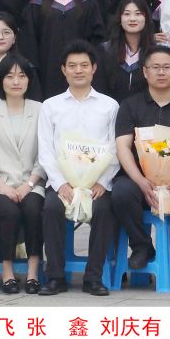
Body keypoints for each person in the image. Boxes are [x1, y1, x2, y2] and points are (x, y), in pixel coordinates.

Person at [108, 46, 170, 283]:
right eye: (155, 67)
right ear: (145, 72)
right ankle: (142, 246)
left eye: (166, 67)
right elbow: (123, 148)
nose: (161, 72)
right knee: (120, 193)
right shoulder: (129, 106)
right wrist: (141, 181)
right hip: (138, 182)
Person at [36, 44, 123, 295]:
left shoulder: (109, 106)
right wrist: (60, 183)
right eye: (72, 66)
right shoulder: (50, 106)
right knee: (51, 208)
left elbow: (115, 148)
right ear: (63, 70)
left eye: (84, 65)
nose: (78, 70)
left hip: (96, 182)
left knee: (104, 210)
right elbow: (45, 149)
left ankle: (93, 278)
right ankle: (55, 277)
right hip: (62, 182)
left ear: (94, 68)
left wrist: (103, 182)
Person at [0, 54, 46, 293]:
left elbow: (45, 154)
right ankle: (7, 272)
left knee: (34, 209)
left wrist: (29, 184)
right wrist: (3, 187)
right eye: (10, 76)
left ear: (29, 80)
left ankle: (33, 271)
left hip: (31, 182)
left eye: (22, 76)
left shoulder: (40, 110)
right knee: (9, 212)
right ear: (1, 80)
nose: (16, 81)